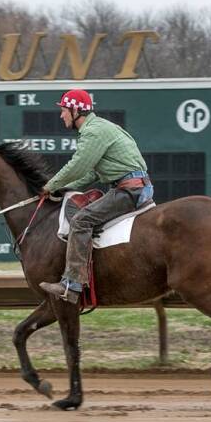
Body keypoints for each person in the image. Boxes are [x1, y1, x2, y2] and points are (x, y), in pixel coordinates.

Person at [38, 89, 153, 304]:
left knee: (81, 221)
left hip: (129, 190)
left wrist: (50, 185)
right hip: (132, 186)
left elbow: (78, 165)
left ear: (75, 111)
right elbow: (90, 173)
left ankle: (71, 285)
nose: (61, 115)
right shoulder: (100, 127)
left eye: (63, 110)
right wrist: (64, 189)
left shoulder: (93, 132)